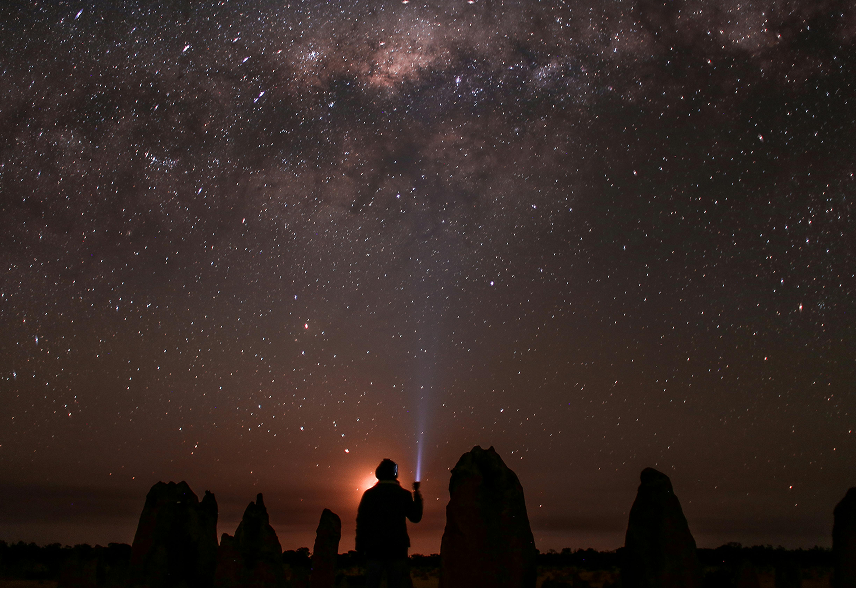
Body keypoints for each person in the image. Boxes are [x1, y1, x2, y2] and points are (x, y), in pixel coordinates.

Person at [356, 459, 423, 587]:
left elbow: (361, 523)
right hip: (397, 549)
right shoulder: (404, 495)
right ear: (395, 474)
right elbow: (416, 517)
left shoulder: (369, 495)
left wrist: (360, 548)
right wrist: (417, 495)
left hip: (374, 548)